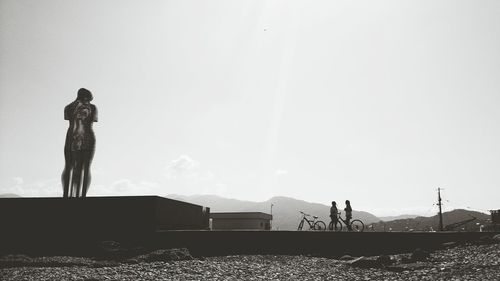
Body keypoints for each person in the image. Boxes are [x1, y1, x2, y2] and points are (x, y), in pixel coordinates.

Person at [61, 88, 98, 197]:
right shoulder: (92, 108)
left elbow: (69, 119)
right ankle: (82, 195)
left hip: (71, 136)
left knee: (69, 166)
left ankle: (66, 194)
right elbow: (92, 121)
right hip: (87, 136)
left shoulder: (68, 107)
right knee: (85, 167)